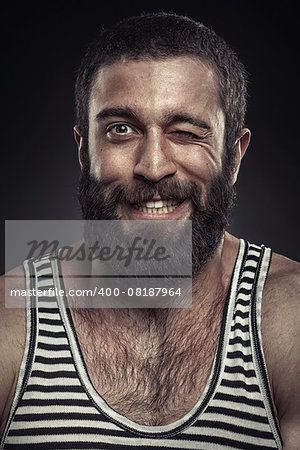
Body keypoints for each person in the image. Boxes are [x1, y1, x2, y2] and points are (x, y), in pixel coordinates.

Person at [0, 12, 299, 450]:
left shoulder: (288, 316)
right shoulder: (12, 319)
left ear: (234, 156)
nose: (153, 167)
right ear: (85, 151)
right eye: (121, 130)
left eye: (185, 132)